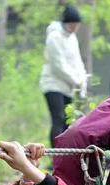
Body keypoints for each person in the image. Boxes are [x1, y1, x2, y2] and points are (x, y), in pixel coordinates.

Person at [39, 5, 87, 147]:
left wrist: (82, 80)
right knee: (58, 118)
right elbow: (58, 65)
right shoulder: (54, 37)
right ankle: (56, 156)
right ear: (67, 23)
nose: (75, 27)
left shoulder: (72, 38)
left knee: (68, 120)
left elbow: (77, 62)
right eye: (73, 24)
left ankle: (66, 156)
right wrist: (75, 80)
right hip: (53, 84)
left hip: (67, 87)